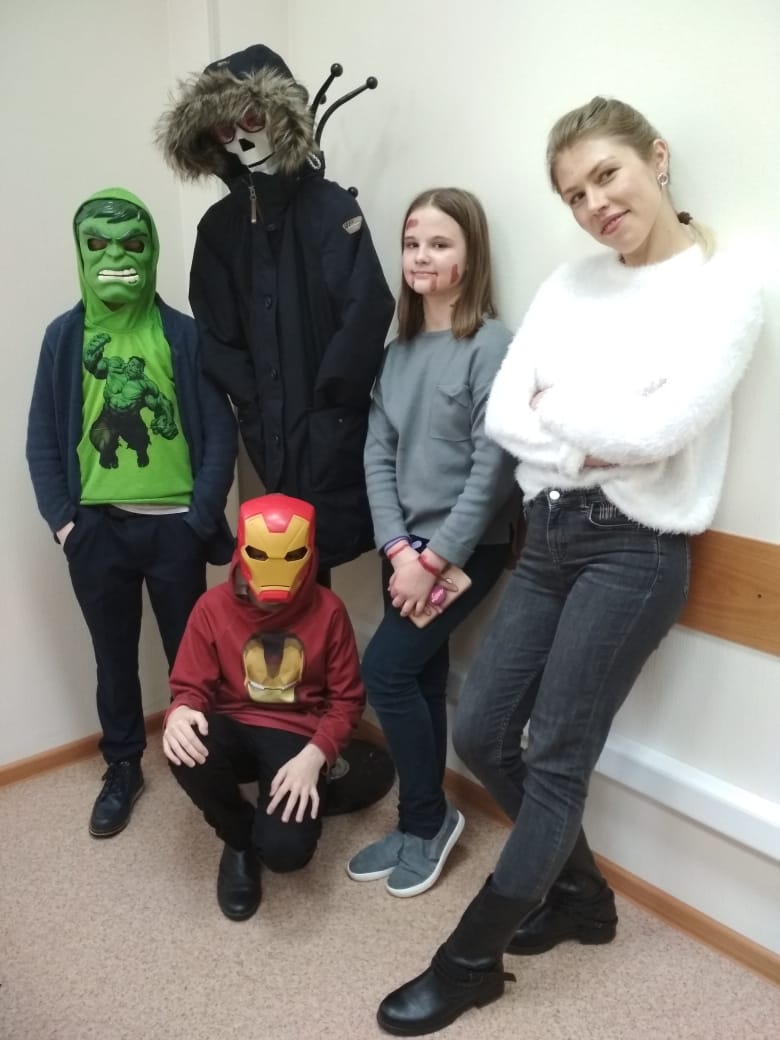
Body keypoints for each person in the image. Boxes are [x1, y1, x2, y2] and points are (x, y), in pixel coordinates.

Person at [376, 97, 764, 1035]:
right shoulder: (570, 283)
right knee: (484, 732)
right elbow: (509, 417)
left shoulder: (725, 288)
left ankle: (470, 961)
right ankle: (584, 899)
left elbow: (660, 431)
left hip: (635, 552)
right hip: (547, 537)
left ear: (655, 158)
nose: (594, 204)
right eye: (574, 194)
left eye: (606, 175)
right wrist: (588, 426)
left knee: (553, 753)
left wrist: (567, 412)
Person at [26, 188, 237, 839]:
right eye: (99, 242)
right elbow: (42, 439)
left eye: (131, 242)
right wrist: (66, 524)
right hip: (97, 533)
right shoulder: (65, 339)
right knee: (112, 658)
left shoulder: (183, 335)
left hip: (176, 530)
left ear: (150, 250)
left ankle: (207, 764)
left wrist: (199, 517)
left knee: (193, 659)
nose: (115, 255)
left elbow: (219, 431)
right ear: (81, 250)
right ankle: (123, 765)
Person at [155, 43, 395, 577]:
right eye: (224, 129)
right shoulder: (220, 229)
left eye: (252, 119)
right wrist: (253, 398)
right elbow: (216, 330)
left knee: (330, 537)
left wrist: (331, 398)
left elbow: (366, 307)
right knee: (283, 552)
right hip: (267, 426)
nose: (241, 139)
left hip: (332, 419)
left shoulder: (331, 208)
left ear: (281, 118)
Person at [345, 188, 518, 899]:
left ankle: (428, 819)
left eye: (440, 244)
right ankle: (421, 818)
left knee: (384, 673)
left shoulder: (492, 346)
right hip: (405, 549)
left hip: (464, 550)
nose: (421, 256)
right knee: (416, 677)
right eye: (413, 243)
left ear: (470, 257)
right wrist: (396, 550)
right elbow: (377, 456)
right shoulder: (397, 354)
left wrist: (434, 559)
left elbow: (493, 471)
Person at [162, 493, 365, 921]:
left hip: (296, 733)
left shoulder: (329, 611)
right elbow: (190, 685)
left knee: (285, 854)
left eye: (291, 556)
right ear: (241, 549)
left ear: (309, 553)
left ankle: (314, 788)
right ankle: (236, 837)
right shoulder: (212, 607)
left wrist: (317, 755)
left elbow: (347, 700)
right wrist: (180, 710)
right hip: (231, 721)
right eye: (260, 554)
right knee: (183, 744)